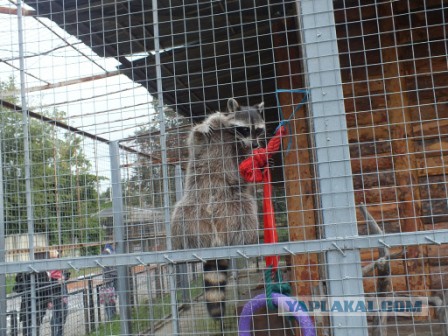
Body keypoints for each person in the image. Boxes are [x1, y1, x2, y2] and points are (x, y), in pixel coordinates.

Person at [13, 252, 51, 336]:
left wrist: (48, 301)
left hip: (35, 304)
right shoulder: (28, 270)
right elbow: (17, 284)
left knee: (31, 328)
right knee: (30, 328)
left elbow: (46, 287)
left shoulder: (38, 270)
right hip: (30, 304)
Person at [48, 250, 69, 336]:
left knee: (64, 313)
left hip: (63, 292)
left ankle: (59, 333)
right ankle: (56, 334)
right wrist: (49, 300)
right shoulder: (49, 271)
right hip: (55, 294)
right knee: (57, 315)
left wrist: (63, 277)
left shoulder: (61, 266)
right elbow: (48, 286)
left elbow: (67, 274)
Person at [100, 245, 118, 320]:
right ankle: (111, 317)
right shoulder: (106, 253)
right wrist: (118, 272)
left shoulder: (111, 252)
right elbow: (110, 268)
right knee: (109, 299)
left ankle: (112, 315)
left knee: (111, 298)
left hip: (111, 279)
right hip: (109, 280)